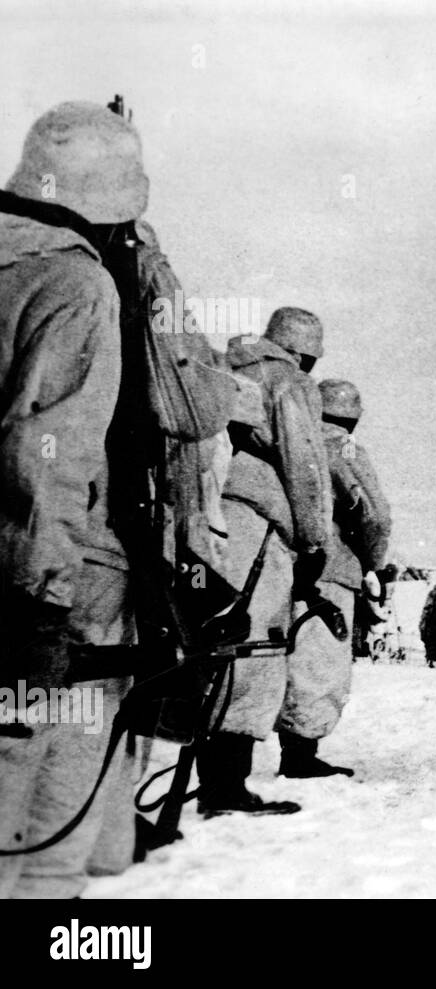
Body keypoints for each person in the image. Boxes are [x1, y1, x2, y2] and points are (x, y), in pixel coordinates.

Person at [0, 102, 143, 897]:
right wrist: (44, 602)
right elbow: (47, 454)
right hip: (37, 568)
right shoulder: (79, 282)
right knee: (46, 789)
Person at [193, 307, 333, 816]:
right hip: (258, 520)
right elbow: (305, 463)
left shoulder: (222, 364)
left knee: (214, 635)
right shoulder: (288, 381)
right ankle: (226, 784)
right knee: (256, 645)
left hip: (207, 511)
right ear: (305, 352)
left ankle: (207, 772)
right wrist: (315, 539)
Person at [276, 379, 390, 778]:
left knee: (270, 656)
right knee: (318, 662)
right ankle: (299, 755)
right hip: (330, 567)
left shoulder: (282, 435)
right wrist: (371, 564)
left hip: (275, 561)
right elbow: (375, 516)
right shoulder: (345, 448)